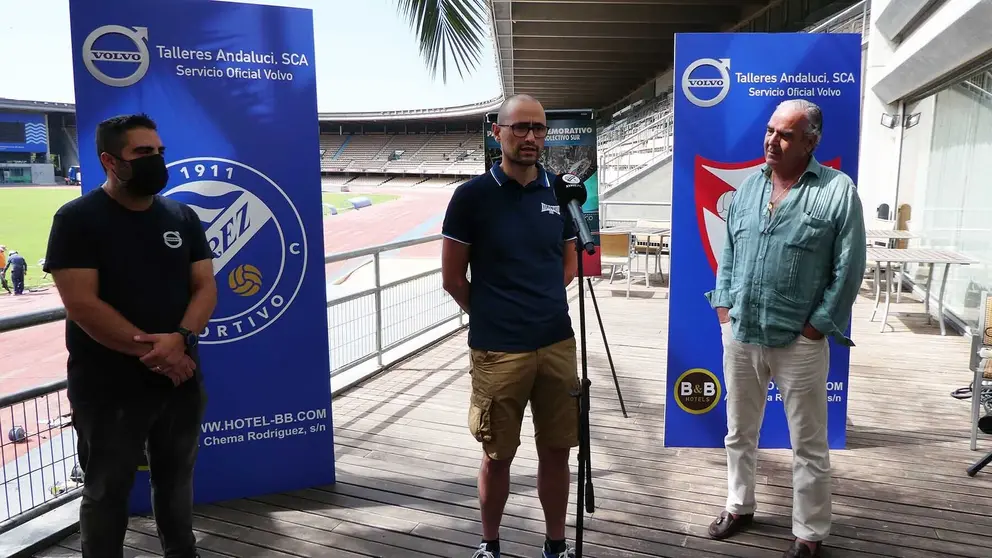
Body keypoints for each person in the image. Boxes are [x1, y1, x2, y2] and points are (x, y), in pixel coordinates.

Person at [43, 113, 217, 558]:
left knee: (176, 482)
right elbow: (82, 305)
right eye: (142, 153)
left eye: (159, 152)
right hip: (108, 389)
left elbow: (205, 287)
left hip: (179, 379)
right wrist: (159, 351)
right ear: (110, 161)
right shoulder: (77, 219)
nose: (156, 160)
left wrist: (179, 338)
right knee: (106, 492)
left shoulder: (182, 216)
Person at [704, 99, 866, 558]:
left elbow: (849, 269)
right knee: (738, 431)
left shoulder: (838, 191)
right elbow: (729, 255)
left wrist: (816, 328)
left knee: (809, 443)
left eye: (786, 135)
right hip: (741, 334)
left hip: (801, 341)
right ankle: (739, 504)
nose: (772, 141)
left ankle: (810, 533)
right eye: (770, 131)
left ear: (811, 142)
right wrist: (724, 312)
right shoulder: (747, 189)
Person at [441, 94, 580, 558]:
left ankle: (555, 545)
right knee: (498, 454)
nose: (531, 137)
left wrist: (541, 302)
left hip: (557, 343)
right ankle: (490, 544)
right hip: (499, 350)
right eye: (519, 128)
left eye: (539, 129)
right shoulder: (470, 197)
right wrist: (493, 314)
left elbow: (568, 261)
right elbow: (452, 278)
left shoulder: (558, 192)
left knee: (558, 450)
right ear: (496, 133)